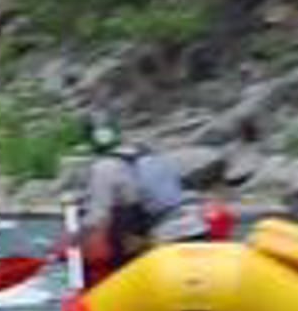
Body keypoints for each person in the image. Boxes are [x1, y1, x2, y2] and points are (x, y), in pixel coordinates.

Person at [76, 113, 211, 284]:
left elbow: (97, 217)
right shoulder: (152, 155)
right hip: (198, 229)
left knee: (122, 236)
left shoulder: (104, 167)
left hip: (166, 242)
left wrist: (75, 238)